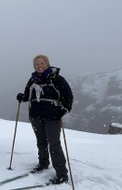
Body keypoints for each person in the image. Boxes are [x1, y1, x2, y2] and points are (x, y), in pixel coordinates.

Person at [16, 54, 73, 185]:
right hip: (36, 115)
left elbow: (68, 95)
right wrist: (22, 97)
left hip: (52, 116)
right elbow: (27, 95)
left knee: (54, 144)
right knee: (41, 141)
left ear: (47, 64)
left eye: (42, 63)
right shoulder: (33, 80)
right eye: (36, 64)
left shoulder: (56, 78)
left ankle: (61, 174)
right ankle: (43, 163)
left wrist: (64, 109)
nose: (39, 66)